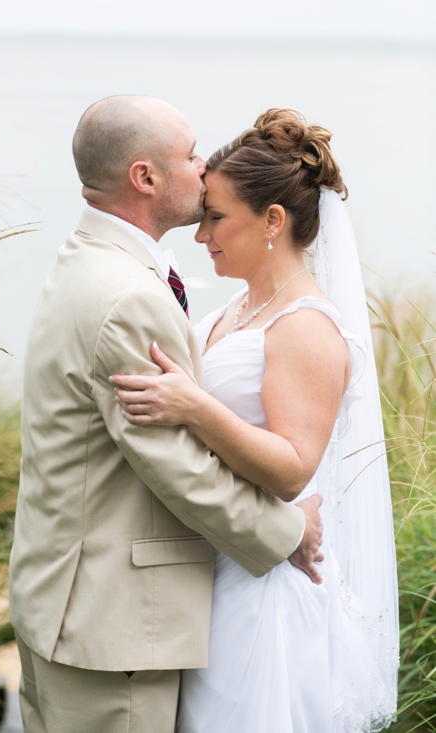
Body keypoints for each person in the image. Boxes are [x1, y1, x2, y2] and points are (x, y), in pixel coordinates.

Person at [7, 96, 326, 733]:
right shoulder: (130, 296)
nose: (203, 166)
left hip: (69, 601)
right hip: (111, 623)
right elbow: (176, 467)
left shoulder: (87, 261)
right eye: (189, 154)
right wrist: (289, 533)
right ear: (146, 178)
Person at [112, 109, 398, 732]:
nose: (200, 233)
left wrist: (193, 405)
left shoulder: (306, 327)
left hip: (259, 592)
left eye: (215, 216)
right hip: (209, 574)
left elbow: (294, 470)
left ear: (273, 220)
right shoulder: (235, 310)